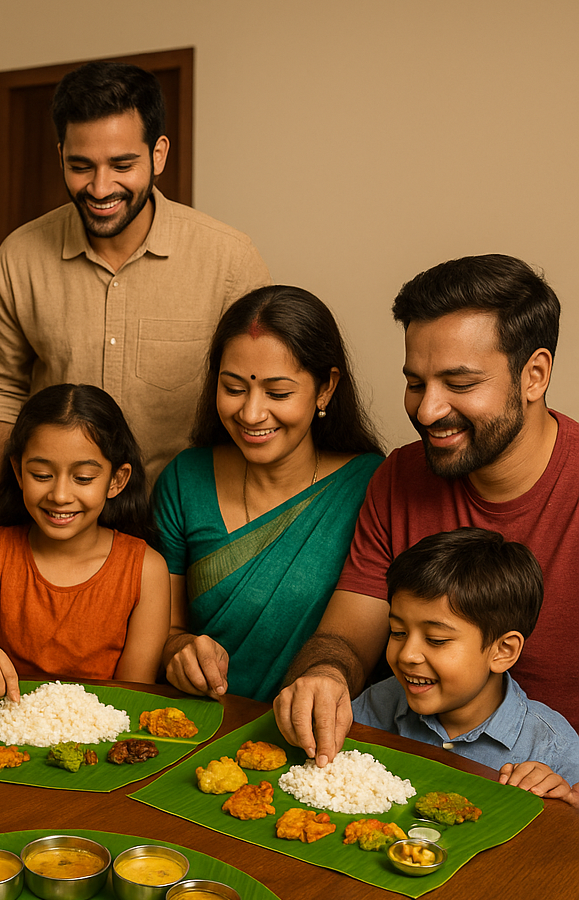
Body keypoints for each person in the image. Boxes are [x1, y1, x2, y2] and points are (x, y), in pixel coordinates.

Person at [275, 253, 579, 765]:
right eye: (416, 383)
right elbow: (347, 638)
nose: (427, 409)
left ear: (535, 375)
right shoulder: (399, 475)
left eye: (459, 384)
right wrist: (324, 675)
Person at [0, 60, 270, 493]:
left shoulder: (229, 260)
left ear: (158, 154)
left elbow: (257, 402)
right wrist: (6, 509)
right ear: (60, 156)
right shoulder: (20, 256)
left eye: (122, 164)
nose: (100, 187)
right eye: (81, 166)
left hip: (184, 525)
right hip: (59, 519)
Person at [155, 286, 384, 702]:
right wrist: (178, 651)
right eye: (234, 388)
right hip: (198, 731)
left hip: (323, 744)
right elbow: (166, 631)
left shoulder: (371, 487)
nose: (251, 413)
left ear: (326, 388)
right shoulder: (184, 480)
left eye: (278, 393)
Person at [0, 384, 170, 700]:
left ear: (117, 480)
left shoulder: (146, 570)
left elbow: (134, 696)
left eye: (83, 478)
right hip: (7, 737)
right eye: (42, 475)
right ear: (19, 473)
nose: (59, 496)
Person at [353, 528, 579, 804]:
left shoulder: (554, 748)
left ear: (502, 651)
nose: (407, 655)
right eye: (397, 632)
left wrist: (564, 804)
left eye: (436, 640)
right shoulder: (380, 701)